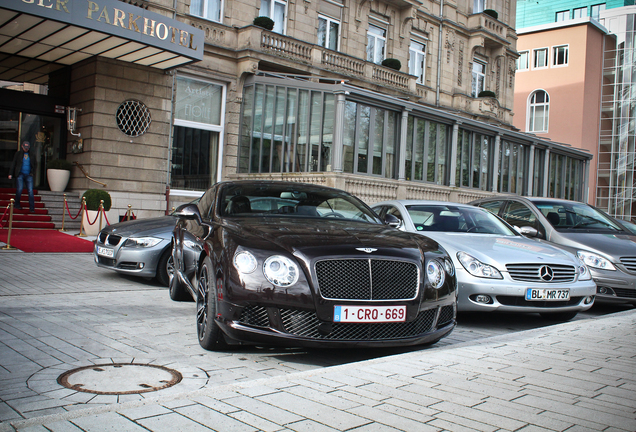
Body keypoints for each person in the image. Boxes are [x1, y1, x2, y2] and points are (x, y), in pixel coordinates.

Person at [8, 141, 36, 212]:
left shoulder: (32, 154)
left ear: (29, 147)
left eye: (27, 147)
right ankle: (17, 204)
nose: (26, 149)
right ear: (22, 146)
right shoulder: (18, 154)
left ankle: (32, 208)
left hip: (29, 174)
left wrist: (32, 172)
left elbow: (35, 164)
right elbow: (14, 163)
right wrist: (10, 173)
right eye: (25, 147)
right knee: (19, 189)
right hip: (20, 173)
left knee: (30, 191)